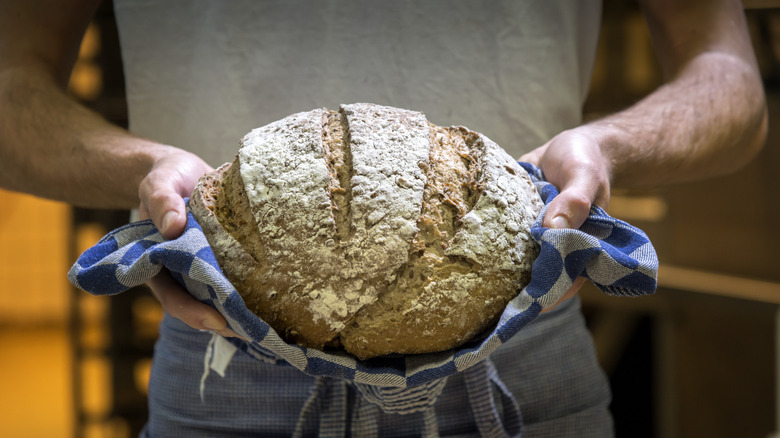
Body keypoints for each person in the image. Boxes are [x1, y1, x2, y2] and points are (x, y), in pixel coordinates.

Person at [0, 0, 766, 436]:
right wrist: (144, 170)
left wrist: (608, 145)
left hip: (525, 372)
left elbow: (732, 83)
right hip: (224, 370)